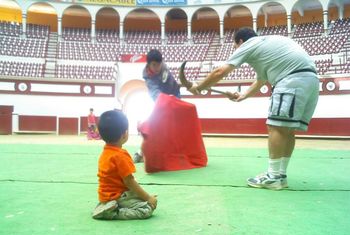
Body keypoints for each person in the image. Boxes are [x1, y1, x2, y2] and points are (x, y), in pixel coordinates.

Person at [188, 27, 319, 190]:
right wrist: (242, 96)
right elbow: (260, 81)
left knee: (276, 128)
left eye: (235, 46)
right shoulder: (267, 46)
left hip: (291, 80)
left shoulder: (249, 44)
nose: (236, 49)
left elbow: (220, 71)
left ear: (241, 42)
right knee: (287, 130)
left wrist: (199, 87)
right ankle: (280, 175)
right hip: (311, 80)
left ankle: (272, 177)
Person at [92, 110, 157, 220]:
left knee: (139, 200)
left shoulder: (105, 153)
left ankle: (106, 206)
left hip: (104, 196)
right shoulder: (121, 155)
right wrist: (148, 198)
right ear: (124, 134)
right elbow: (130, 182)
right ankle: (114, 212)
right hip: (119, 196)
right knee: (146, 209)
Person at [133, 49, 181, 163]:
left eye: (159, 64)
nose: (157, 68)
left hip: (174, 97)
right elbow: (155, 92)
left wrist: (174, 99)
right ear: (148, 64)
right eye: (154, 65)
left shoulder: (164, 68)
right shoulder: (147, 76)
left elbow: (173, 87)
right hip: (159, 101)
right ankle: (140, 153)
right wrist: (163, 101)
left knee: (174, 127)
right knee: (152, 126)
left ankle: (173, 153)